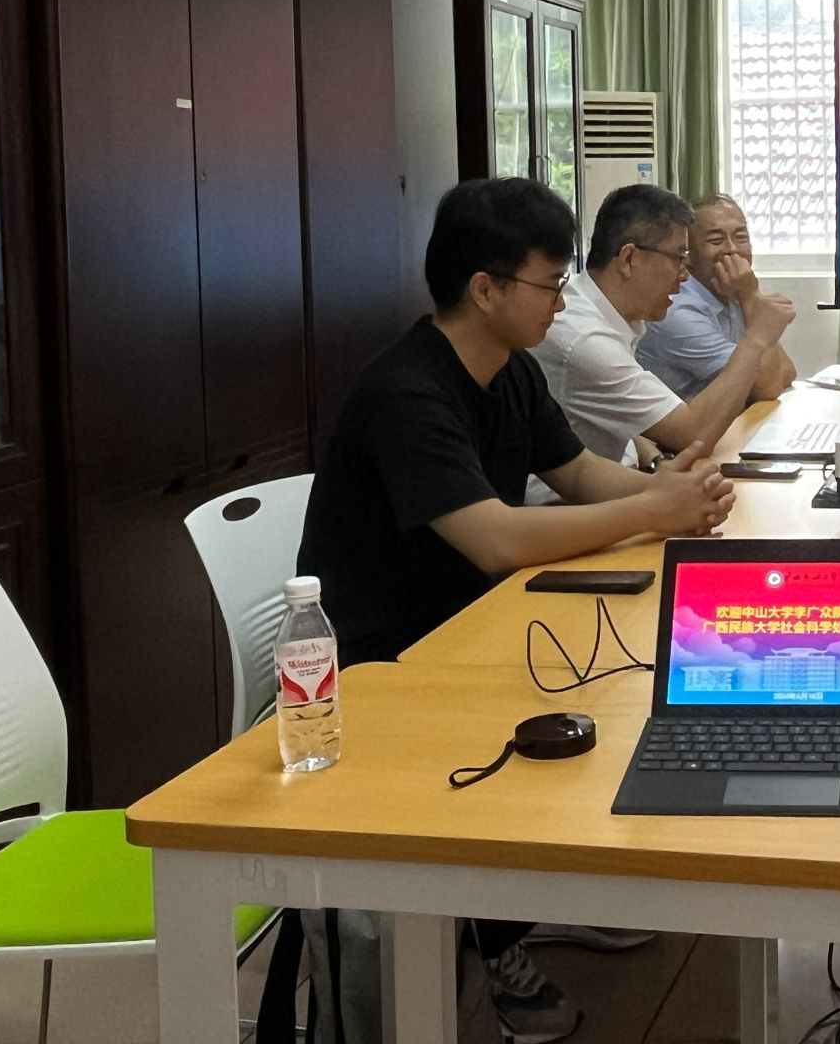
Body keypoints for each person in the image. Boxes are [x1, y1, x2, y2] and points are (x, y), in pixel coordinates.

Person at [294, 176, 734, 1044]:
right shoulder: (408, 390)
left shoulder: (513, 373)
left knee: (623, 676)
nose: (562, 301)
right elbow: (495, 539)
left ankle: (519, 909)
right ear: (485, 289)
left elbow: (580, 476)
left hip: (472, 625)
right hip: (388, 663)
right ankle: (489, 938)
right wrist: (653, 508)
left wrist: (673, 496)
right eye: (550, 283)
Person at [535, 184, 796, 474]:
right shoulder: (585, 338)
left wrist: (651, 459)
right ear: (629, 259)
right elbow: (694, 435)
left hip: (621, 476)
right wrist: (757, 337)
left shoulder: (609, 310)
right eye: (678, 256)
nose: (684, 274)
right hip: (571, 498)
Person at [636, 192, 797, 399]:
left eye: (741, 238)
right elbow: (768, 386)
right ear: (687, 255)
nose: (732, 250)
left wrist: (748, 298)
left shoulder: (732, 291)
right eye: (716, 240)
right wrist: (751, 295)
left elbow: (787, 372)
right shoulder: (677, 311)